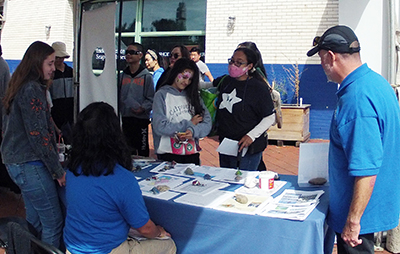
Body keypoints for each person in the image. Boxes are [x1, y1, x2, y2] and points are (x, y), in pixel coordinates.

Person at [307, 25, 400, 254]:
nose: (321, 66)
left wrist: (353, 221)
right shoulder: (377, 83)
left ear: (331, 56)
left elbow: (366, 168)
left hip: (361, 215)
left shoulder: (356, 99)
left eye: (320, 58)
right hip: (375, 206)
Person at [63, 102, 176, 254]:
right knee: (169, 245)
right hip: (107, 250)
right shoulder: (121, 179)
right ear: (115, 135)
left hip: (73, 247)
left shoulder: (72, 170)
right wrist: (159, 232)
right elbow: (146, 228)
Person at [1, 41, 65, 248]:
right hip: (29, 164)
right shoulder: (31, 89)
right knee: (53, 223)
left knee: (35, 221)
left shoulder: (21, 85)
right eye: (49, 63)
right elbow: (39, 137)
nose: (53, 68)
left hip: (19, 163)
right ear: (37, 63)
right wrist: (57, 171)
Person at [215, 47, 275, 170]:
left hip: (249, 147)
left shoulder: (258, 87)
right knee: (226, 180)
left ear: (249, 66)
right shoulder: (225, 81)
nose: (233, 65)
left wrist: (251, 136)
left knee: (245, 181)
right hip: (226, 144)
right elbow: (205, 86)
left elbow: (270, 117)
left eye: (239, 62)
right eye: (232, 61)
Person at [152, 58, 211, 165]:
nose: (186, 82)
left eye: (190, 80)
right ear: (175, 73)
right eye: (184, 77)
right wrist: (189, 125)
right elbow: (159, 126)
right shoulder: (161, 95)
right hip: (168, 154)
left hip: (192, 154)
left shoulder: (194, 96)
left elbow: (207, 123)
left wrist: (193, 131)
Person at [120, 42, 154, 157]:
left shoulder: (146, 77)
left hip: (141, 120)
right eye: (127, 52)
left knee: (143, 149)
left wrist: (143, 108)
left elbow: (151, 98)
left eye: (132, 52)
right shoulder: (121, 76)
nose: (128, 55)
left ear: (140, 55)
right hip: (125, 119)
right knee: (126, 149)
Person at [49, 41, 74, 144]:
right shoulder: (50, 74)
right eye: (57, 57)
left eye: (61, 57)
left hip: (70, 116)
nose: (60, 60)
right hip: (56, 115)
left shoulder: (71, 72)